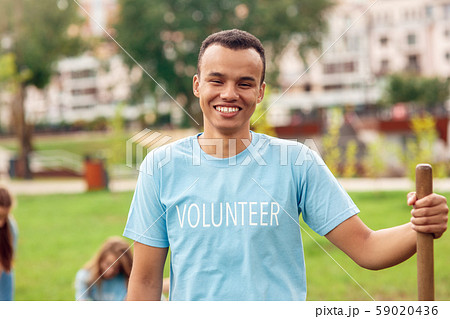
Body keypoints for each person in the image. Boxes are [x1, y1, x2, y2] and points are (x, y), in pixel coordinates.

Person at [123, 29, 448, 301]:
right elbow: (146, 282)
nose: (230, 94)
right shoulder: (161, 167)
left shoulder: (297, 162)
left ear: (261, 91)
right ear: (197, 85)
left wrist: (419, 226)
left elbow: (367, 248)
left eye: (245, 83)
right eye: (217, 81)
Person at [75, 236, 133, 301]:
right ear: (100, 259)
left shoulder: (127, 280)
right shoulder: (85, 276)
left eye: (117, 268)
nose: (110, 271)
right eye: (107, 264)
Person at [0, 186, 18, 301]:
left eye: (4, 217)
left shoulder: (11, 227)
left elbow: (9, 257)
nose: (1, 223)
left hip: (4, 273)